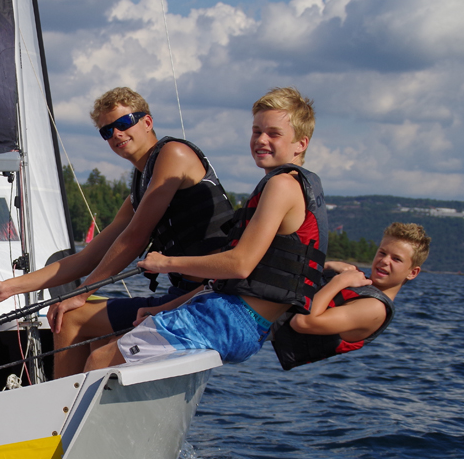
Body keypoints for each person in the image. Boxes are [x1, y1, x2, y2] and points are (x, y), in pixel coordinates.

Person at [0, 87, 234, 377]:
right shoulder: (139, 190)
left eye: (124, 122)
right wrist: (8, 288)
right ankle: (65, 401)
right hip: (180, 294)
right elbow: (89, 256)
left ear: (147, 122)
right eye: (107, 131)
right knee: (69, 317)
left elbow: (134, 239)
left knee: (81, 323)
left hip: (210, 295)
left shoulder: (174, 154)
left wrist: (83, 293)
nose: (116, 134)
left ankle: (71, 400)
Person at [87, 87, 328, 369]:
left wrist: (165, 263)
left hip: (229, 319)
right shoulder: (300, 185)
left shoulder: (281, 185)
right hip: (244, 323)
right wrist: (163, 309)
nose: (261, 140)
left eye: (273, 134)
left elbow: (239, 265)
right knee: (103, 344)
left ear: (301, 144)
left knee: (100, 359)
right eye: (256, 131)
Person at [271, 223, 430, 369]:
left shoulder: (374, 308)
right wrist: (328, 266)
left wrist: (339, 281)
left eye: (396, 259)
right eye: (382, 253)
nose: (384, 261)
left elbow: (303, 322)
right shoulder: (357, 281)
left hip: (263, 325)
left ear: (412, 272)